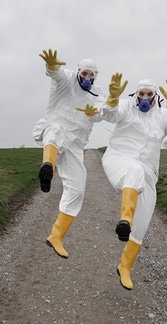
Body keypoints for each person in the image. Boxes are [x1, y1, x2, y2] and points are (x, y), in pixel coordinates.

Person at [77, 73, 167, 289]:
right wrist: (112, 98)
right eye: (141, 94)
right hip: (119, 159)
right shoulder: (126, 107)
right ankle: (124, 219)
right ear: (135, 95)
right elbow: (109, 115)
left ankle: (125, 267)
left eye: (149, 94)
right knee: (133, 170)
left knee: (143, 221)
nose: (144, 98)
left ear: (155, 97)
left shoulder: (163, 116)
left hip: (149, 173)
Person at [33, 49, 106, 259]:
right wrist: (52, 66)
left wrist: (98, 113)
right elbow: (56, 74)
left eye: (92, 74)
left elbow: (105, 111)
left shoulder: (97, 93)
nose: (87, 78)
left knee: (78, 188)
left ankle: (56, 236)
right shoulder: (66, 79)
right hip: (56, 130)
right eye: (84, 73)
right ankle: (48, 165)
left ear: (96, 76)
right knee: (55, 132)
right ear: (78, 71)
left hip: (75, 146)